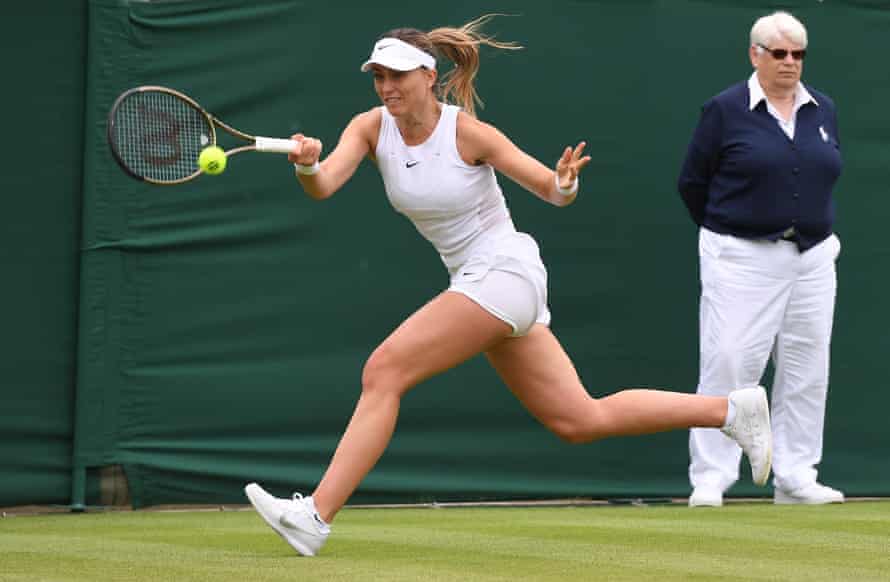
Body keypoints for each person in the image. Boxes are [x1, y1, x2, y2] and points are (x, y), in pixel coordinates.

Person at [244, 15, 772, 556]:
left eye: (398, 75)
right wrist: (307, 166)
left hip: (505, 273)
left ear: (429, 75)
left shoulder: (468, 133)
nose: (387, 87)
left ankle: (315, 515)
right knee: (579, 419)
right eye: (379, 76)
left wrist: (565, 183)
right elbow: (325, 183)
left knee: (384, 369)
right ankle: (731, 411)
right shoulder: (370, 127)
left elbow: (550, 187)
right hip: (477, 282)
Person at [678, 11, 844, 507]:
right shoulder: (725, 109)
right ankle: (711, 477)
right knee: (728, 361)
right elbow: (693, 183)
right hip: (740, 255)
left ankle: (795, 476)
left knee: (807, 365)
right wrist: (734, 231)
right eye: (779, 53)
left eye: (798, 54)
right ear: (756, 54)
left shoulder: (822, 109)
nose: (790, 62)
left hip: (812, 256)